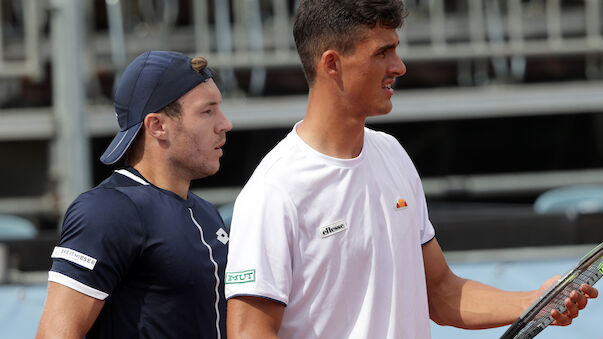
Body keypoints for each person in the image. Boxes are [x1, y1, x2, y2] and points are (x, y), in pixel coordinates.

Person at [224, 1, 598, 338]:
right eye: (382, 52)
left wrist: (534, 300)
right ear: (332, 63)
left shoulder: (392, 154)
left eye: (396, 50)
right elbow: (249, 333)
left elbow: (441, 293)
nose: (399, 67)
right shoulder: (273, 191)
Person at [36, 51, 232, 338]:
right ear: (157, 126)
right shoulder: (107, 211)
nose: (225, 124)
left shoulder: (206, 213)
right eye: (207, 111)